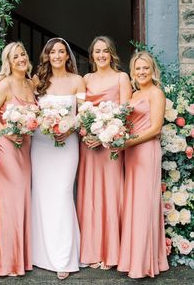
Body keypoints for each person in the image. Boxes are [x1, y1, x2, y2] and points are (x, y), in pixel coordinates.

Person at [31, 38, 86, 280]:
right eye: (52, 52)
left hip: (67, 144)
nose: (56, 55)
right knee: (42, 196)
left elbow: (84, 114)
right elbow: (28, 110)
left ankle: (64, 258)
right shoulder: (37, 80)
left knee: (63, 194)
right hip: (41, 145)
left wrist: (70, 126)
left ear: (67, 56)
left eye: (61, 51)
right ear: (47, 55)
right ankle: (39, 254)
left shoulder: (77, 81)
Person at [77, 36, 132, 269]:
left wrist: (106, 136)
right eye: (97, 51)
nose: (101, 55)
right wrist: (85, 133)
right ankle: (91, 251)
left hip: (110, 146)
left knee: (111, 194)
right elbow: (79, 111)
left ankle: (111, 253)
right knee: (90, 196)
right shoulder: (85, 79)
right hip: (89, 146)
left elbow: (126, 113)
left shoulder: (122, 78)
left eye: (105, 51)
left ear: (112, 54)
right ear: (91, 55)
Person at [0, 42, 35, 276]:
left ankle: (19, 259)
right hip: (6, 148)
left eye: (22, 54)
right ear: (9, 62)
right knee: (11, 201)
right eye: (15, 56)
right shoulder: (4, 85)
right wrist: (6, 131)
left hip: (25, 148)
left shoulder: (31, 83)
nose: (21, 58)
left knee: (21, 199)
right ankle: (7, 262)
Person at [117, 51, 169, 278]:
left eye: (145, 68)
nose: (141, 72)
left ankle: (144, 264)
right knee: (133, 204)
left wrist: (129, 142)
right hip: (131, 153)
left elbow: (155, 128)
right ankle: (132, 260)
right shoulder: (134, 95)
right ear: (132, 72)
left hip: (146, 151)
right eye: (137, 69)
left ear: (152, 70)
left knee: (144, 205)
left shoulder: (156, 93)